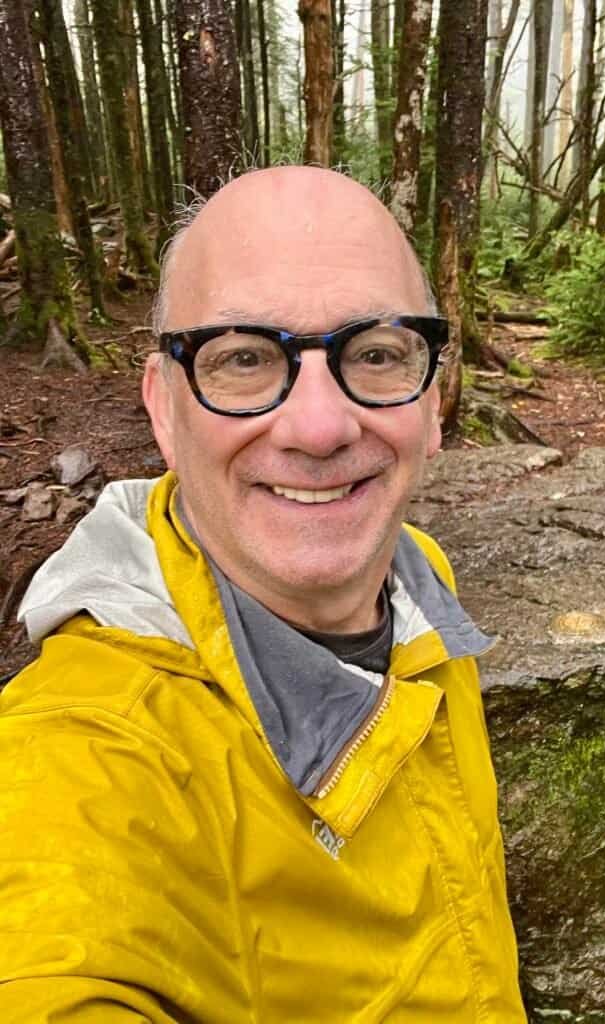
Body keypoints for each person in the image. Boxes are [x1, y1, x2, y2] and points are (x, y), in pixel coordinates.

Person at [0, 167, 527, 1022]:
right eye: (244, 358)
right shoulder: (91, 746)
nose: (320, 427)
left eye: (376, 353)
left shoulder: (416, 574)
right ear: (164, 409)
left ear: (434, 397)